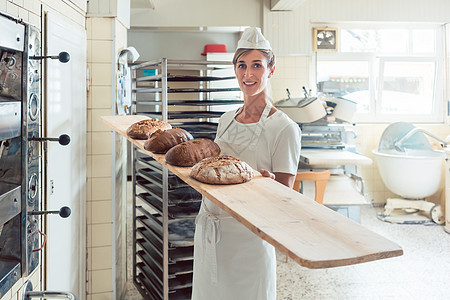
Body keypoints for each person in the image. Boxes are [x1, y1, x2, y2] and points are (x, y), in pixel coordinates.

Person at [191, 27, 302, 300]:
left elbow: (285, 196)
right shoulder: (226, 119)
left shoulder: (284, 127)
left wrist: (268, 185)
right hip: (210, 230)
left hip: (249, 237)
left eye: (257, 66)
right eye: (242, 65)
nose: (248, 74)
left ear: (271, 70)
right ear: (235, 69)